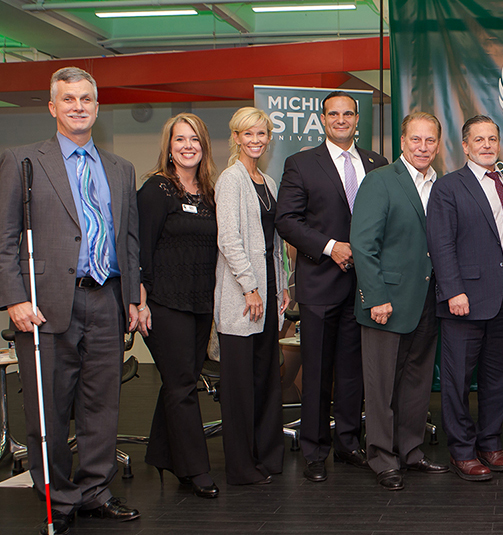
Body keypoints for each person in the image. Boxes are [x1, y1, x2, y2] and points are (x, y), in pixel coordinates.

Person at [0, 66, 141, 534]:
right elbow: (4, 239)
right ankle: (56, 499)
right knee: (49, 410)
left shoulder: (120, 168)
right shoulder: (22, 160)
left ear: (97, 107)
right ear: (52, 107)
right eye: (68, 99)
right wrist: (15, 298)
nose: (78, 106)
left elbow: (130, 240)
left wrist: (133, 296)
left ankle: (96, 491)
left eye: (86, 99)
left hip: (107, 299)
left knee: (102, 406)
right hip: (44, 305)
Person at [275, 91, 388, 483]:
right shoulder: (302, 163)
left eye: (348, 114)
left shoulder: (377, 164)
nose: (341, 120)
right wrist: (330, 247)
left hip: (364, 286)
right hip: (321, 282)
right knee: (318, 371)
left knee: (354, 371)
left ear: (358, 119)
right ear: (323, 120)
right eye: (333, 114)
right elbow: (287, 220)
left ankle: (348, 444)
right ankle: (314, 450)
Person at [350, 112, 448, 491]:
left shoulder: (439, 184)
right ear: (403, 142)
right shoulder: (380, 181)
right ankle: (381, 457)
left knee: (417, 382)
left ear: (438, 144)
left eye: (430, 140)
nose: (423, 147)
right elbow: (363, 244)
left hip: (426, 300)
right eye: (415, 139)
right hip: (385, 302)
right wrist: (375, 297)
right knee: (380, 386)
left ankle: (410, 451)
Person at [427, 115, 503, 482]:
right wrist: (453, 290)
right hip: (463, 299)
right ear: (465, 146)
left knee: (498, 377)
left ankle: (490, 443)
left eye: (492, 139)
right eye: (478, 139)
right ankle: (462, 451)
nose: (486, 145)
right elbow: (441, 243)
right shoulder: (449, 187)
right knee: (457, 381)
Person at [136, 113, 219, 498]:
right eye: (180, 139)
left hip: (200, 303)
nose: (188, 146)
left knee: (178, 381)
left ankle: (163, 454)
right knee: (184, 384)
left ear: (204, 146)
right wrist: (140, 301)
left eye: (195, 139)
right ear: (169, 147)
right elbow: (139, 249)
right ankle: (196, 470)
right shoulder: (157, 190)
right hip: (164, 303)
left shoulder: (209, 192)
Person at [214, 107, 290, 485]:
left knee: (265, 379)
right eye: (248, 134)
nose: (256, 140)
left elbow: (274, 243)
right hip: (242, 297)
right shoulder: (231, 179)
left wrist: (282, 284)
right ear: (236, 138)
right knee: (240, 387)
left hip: (268, 292)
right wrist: (251, 287)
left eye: (261, 134)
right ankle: (241, 466)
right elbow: (229, 239)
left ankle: (268, 456)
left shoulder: (268, 181)